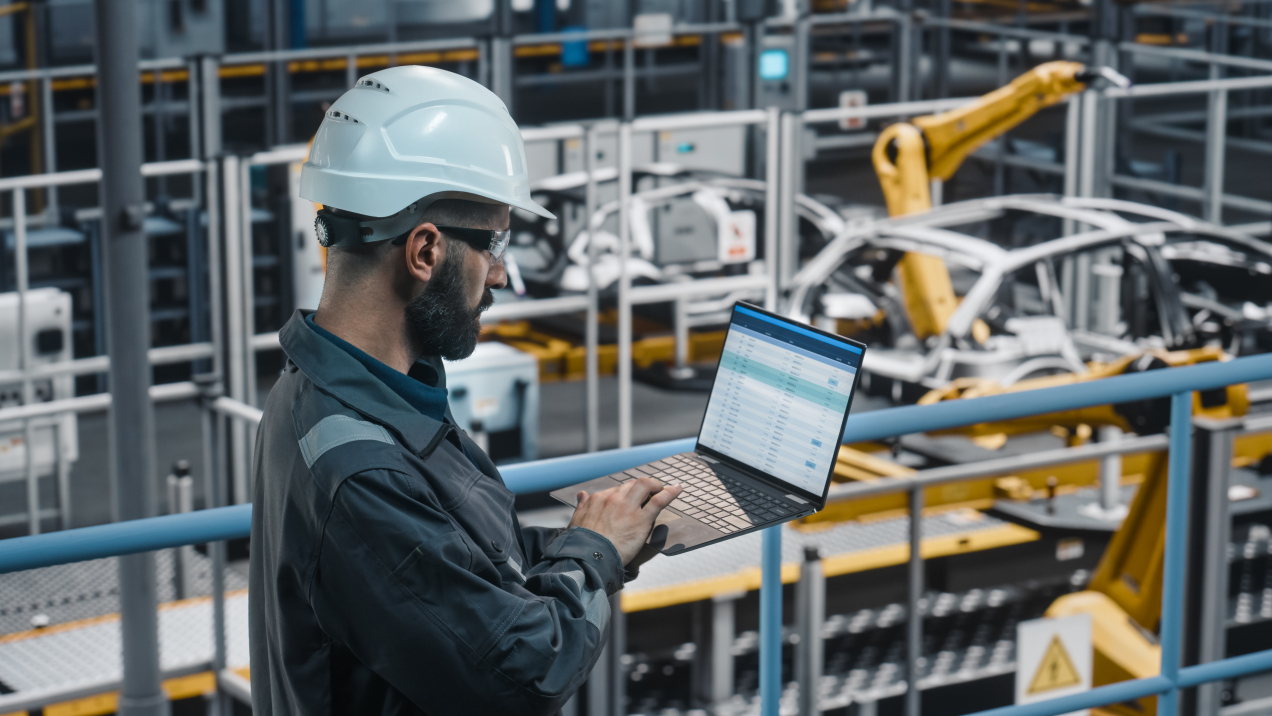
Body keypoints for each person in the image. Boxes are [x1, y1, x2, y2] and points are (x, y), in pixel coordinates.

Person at [248, 66, 682, 715]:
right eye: (493, 242)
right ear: (424, 251)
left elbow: (446, 564)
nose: (502, 274)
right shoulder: (360, 468)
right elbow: (523, 673)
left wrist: (594, 540)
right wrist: (591, 558)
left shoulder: (334, 392)